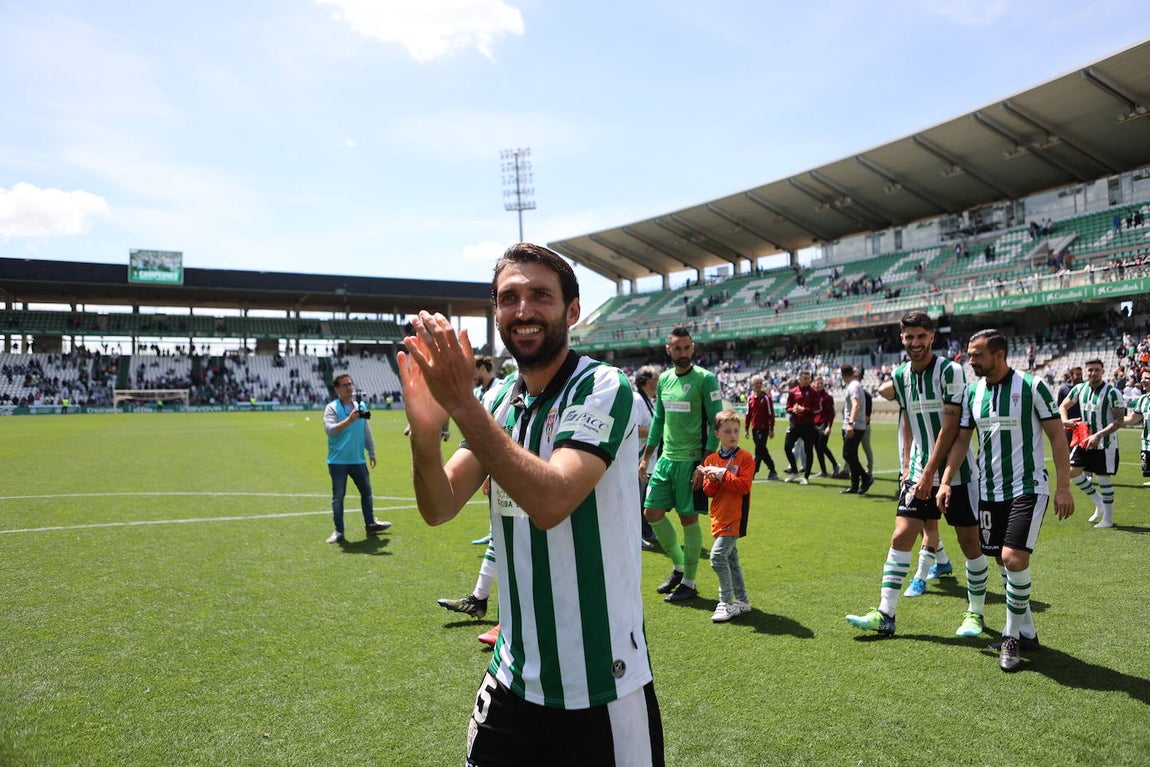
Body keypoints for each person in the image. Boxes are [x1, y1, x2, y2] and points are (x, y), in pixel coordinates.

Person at [398, 243, 663, 766]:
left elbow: (552, 499)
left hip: (601, 682)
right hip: (512, 674)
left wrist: (461, 405)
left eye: (540, 295)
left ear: (571, 310)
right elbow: (440, 505)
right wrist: (427, 435)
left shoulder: (604, 387)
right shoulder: (497, 401)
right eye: (508, 297)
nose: (522, 310)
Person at [937, 329, 1074, 673]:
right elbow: (962, 440)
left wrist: (1063, 487)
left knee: (1013, 559)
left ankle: (1010, 638)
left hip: (1028, 487)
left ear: (999, 355)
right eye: (969, 355)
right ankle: (1027, 632)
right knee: (1001, 559)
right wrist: (945, 480)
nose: (970, 361)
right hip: (989, 491)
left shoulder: (1031, 386)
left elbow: (1058, 436)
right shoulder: (973, 391)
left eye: (976, 355)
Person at [846, 312, 987, 639]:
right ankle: (885, 613)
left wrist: (929, 474)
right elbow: (907, 420)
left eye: (921, 336)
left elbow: (950, 428)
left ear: (932, 337)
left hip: (959, 474)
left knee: (970, 544)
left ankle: (975, 613)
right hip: (918, 472)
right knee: (900, 536)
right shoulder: (900, 375)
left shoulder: (950, 372)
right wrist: (909, 466)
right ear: (902, 340)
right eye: (909, 337)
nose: (915, 343)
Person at [640, 326, 723, 604]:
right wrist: (646, 456)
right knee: (651, 513)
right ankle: (678, 566)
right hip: (665, 460)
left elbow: (716, 424)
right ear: (668, 349)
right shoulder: (663, 379)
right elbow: (658, 421)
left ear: (693, 348)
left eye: (687, 348)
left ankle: (689, 581)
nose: (683, 353)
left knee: (689, 519)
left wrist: (705, 463)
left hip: (692, 462)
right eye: (677, 348)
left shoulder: (705, 379)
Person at [436, 355, 508, 647]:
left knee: (512, 542)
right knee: (500, 539)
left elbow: (502, 436)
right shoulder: (490, 392)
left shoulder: (501, 390)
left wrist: (493, 471)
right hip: (496, 474)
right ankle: (483, 601)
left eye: (473, 371)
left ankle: (504, 615)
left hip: (511, 476)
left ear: (483, 367)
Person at [697, 410, 755, 622]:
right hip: (718, 516)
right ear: (717, 434)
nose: (733, 435)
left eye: (736, 431)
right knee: (731, 559)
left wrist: (723, 474)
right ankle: (742, 601)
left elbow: (743, 486)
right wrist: (712, 478)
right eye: (727, 431)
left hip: (735, 516)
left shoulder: (745, 458)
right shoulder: (712, 458)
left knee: (717, 557)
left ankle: (726, 602)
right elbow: (708, 491)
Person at [322, 373, 392, 544]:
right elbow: (329, 430)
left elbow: (365, 430)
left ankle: (370, 523)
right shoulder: (332, 408)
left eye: (350, 384)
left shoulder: (360, 405)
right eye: (344, 385)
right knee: (338, 497)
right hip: (338, 461)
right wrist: (349, 419)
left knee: (367, 494)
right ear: (337, 389)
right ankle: (339, 531)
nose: (348, 387)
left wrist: (372, 452)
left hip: (358, 460)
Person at [1059, 358, 1126, 528]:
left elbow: (1119, 421)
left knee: (1103, 477)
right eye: (1090, 370)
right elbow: (1063, 406)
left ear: (1103, 372)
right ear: (1086, 372)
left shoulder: (1112, 393)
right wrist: (1065, 421)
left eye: (1097, 370)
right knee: (1071, 472)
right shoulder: (1079, 389)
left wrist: (1098, 435)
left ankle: (1108, 519)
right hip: (1084, 440)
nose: (1093, 373)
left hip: (1106, 443)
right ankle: (1099, 503)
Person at [633, 365, 662, 549]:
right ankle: (636, 537)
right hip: (636, 460)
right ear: (648, 381)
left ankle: (646, 532)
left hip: (646, 461)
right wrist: (657, 431)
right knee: (636, 500)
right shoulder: (636, 400)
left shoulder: (648, 401)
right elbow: (633, 430)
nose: (658, 384)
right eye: (656, 380)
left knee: (644, 500)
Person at [838, 364, 872, 494]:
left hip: (855, 425)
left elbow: (856, 405)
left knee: (847, 454)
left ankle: (865, 478)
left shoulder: (853, 386)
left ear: (842, 374)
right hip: (854, 425)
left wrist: (850, 423)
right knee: (852, 455)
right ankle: (854, 485)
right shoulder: (854, 385)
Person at [783, 370, 819, 484]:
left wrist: (804, 409)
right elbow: (787, 407)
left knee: (809, 451)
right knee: (787, 447)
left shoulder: (813, 392)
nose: (807, 380)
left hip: (808, 425)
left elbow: (817, 409)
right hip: (795, 424)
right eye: (805, 378)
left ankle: (806, 476)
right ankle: (794, 471)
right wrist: (793, 409)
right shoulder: (793, 391)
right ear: (800, 378)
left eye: (809, 378)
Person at [744, 375, 778, 480]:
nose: (758, 385)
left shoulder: (766, 398)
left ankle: (753, 471)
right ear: (753, 385)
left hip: (764, 428)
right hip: (754, 428)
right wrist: (746, 429)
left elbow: (770, 414)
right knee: (762, 450)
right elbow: (748, 415)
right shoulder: (750, 398)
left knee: (758, 450)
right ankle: (772, 470)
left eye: (760, 383)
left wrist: (771, 429)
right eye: (756, 383)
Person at [1121, 368, 1150, 488]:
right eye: (1142, 378)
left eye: (1146, 378)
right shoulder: (1143, 400)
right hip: (1147, 443)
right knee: (1147, 469)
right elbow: (1132, 419)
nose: (1142, 381)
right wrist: (1111, 421)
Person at [811, 375, 841, 478]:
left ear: (823, 384)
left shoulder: (828, 397)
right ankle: (823, 471)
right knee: (817, 448)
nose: (819, 385)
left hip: (823, 424)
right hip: (814, 424)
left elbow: (831, 414)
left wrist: (829, 426)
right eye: (817, 383)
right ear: (814, 384)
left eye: (821, 383)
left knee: (822, 446)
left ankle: (835, 465)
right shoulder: (813, 396)